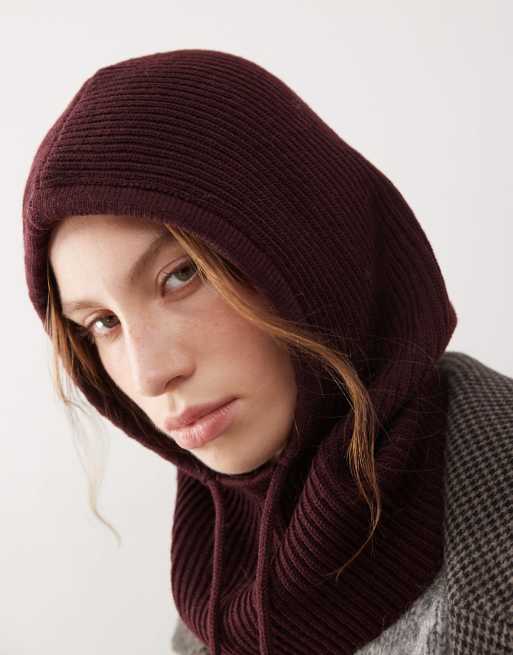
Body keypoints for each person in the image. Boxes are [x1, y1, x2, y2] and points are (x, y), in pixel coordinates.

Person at [22, 49, 512, 655]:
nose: (149, 375)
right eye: (102, 323)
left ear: (305, 244)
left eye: (181, 276)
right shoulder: (221, 571)